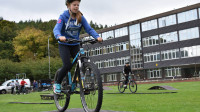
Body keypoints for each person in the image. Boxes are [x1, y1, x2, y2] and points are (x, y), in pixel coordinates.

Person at [53, 0, 103, 94]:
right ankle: (57, 83)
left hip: (75, 44)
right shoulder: (63, 16)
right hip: (64, 44)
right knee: (67, 65)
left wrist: (97, 37)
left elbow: (89, 29)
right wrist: (59, 36)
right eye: (74, 5)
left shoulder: (80, 17)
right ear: (68, 5)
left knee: (83, 63)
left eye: (78, 5)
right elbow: (56, 28)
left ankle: (82, 84)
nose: (76, 7)